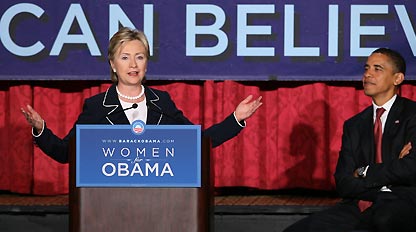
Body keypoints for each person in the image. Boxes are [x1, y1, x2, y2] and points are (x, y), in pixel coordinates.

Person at [277, 48, 416, 232]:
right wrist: (388, 175)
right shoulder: (355, 124)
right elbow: (343, 182)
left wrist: (365, 172)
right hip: (364, 205)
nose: (368, 74)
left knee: (385, 215)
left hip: (408, 203)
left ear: (398, 78)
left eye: (377, 69)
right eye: (366, 68)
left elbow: (410, 170)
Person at [21, 27, 262, 163]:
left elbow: (196, 143)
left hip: (159, 201)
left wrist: (235, 119)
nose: (133, 65)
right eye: (125, 58)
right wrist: (41, 129)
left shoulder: (161, 102)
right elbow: (66, 153)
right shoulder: (97, 107)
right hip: (109, 204)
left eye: (140, 57)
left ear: (146, 63)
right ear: (113, 64)